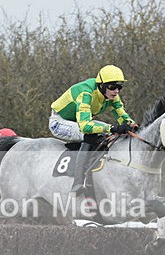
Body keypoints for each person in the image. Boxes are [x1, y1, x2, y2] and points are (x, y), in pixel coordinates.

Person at [49, 65, 138, 194]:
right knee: (90, 134)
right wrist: (113, 128)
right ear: (101, 85)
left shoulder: (112, 95)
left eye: (120, 87)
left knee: (107, 133)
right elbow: (85, 126)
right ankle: (78, 182)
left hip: (79, 120)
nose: (116, 91)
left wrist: (131, 126)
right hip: (59, 122)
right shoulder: (86, 93)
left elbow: (121, 115)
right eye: (112, 87)